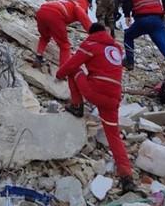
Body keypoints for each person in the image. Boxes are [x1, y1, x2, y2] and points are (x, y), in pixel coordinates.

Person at [56, 23, 136, 194]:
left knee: (74, 70)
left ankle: (77, 106)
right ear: (105, 33)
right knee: (114, 136)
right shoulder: (116, 49)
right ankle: (127, 177)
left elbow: (71, 65)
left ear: (90, 33)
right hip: (113, 97)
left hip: (94, 91)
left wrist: (58, 74)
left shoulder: (90, 45)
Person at [33, 0, 92, 70]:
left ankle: (38, 57)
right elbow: (86, 22)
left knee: (44, 37)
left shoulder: (67, 2)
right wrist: (95, 33)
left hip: (41, 11)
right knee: (64, 45)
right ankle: (63, 70)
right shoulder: (78, 7)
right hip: (55, 15)